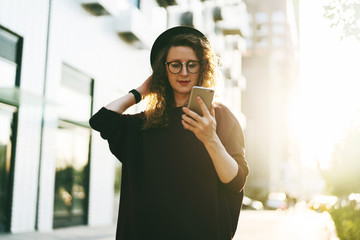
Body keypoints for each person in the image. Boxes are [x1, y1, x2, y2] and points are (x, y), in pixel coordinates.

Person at [89, 26, 249, 240]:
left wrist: (210, 138)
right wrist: (139, 92)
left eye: (192, 65)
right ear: (163, 69)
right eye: (175, 65)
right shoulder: (146, 123)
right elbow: (102, 121)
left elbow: (236, 182)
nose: (184, 72)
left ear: (203, 68)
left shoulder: (219, 117)